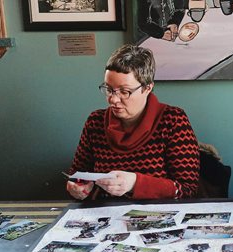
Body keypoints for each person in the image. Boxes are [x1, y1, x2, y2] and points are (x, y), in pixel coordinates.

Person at [66, 44, 200, 200]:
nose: (113, 99)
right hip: (104, 215)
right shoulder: (95, 122)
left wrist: (136, 183)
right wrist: (77, 187)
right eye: (109, 89)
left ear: (147, 88)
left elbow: (188, 190)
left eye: (124, 91)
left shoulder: (173, 121)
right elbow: (76, 175)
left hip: (159, 216)